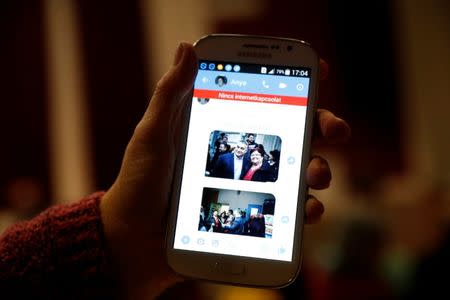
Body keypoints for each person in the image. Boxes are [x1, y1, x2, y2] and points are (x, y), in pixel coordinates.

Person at [0, 42, 350, 299]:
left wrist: (121, 242)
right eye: (239, 145)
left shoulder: (270, 170)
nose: (244, 150)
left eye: (251, 148)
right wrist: (123, 240)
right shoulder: (220, 161)